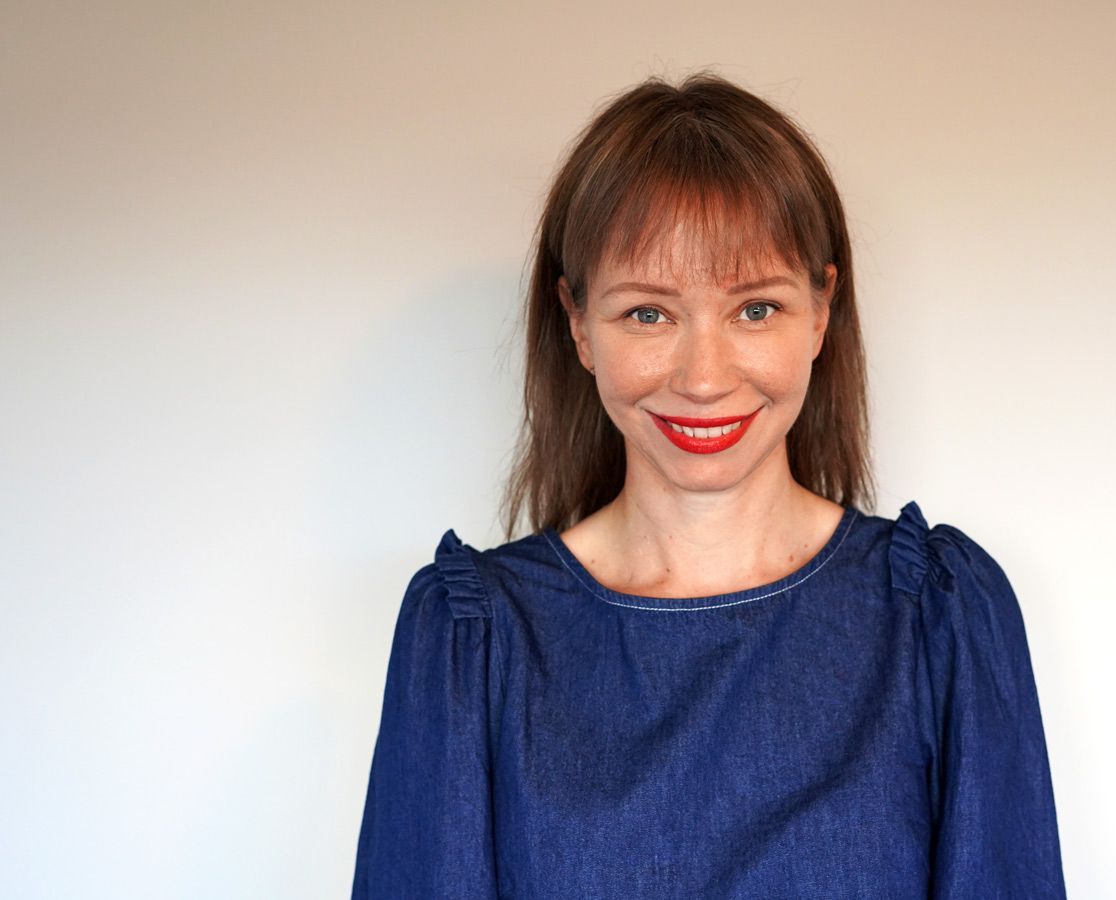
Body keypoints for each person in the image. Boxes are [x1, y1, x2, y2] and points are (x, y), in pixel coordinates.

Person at [352, 71, 1067, 898]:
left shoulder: (940, 618)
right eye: (648, 314)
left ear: (821, 312)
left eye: (755, 309)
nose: (703, 378)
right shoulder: (471, 643)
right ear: (579, 325)